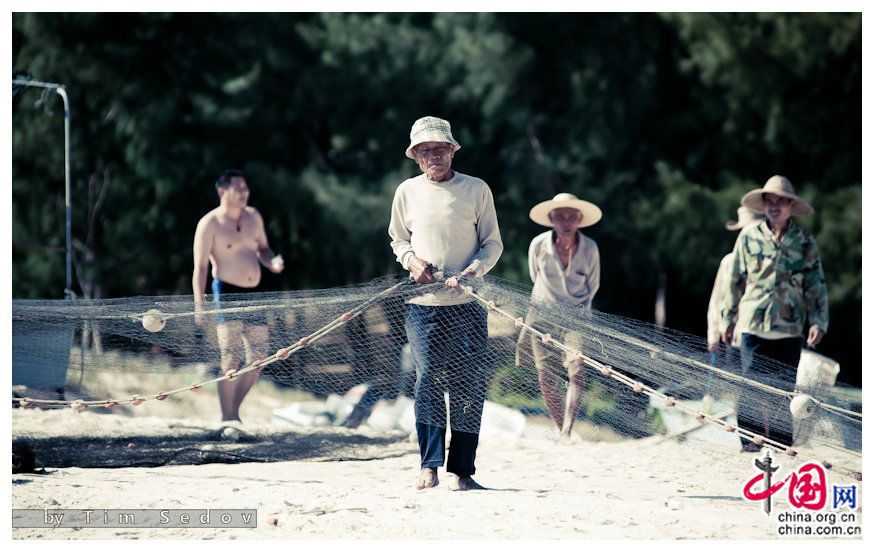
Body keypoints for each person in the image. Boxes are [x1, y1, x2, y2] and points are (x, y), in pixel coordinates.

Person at [388, 116, 503, 491]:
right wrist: (413, 262)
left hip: (468, 302)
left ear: (453, 151)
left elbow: (492, 243)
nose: (434, 156)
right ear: (416, 157)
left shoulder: (476, 189)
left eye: (440, 149)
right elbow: (398, 239)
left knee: (470, 384)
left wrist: (473, 270)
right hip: (423, 305)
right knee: (428, 382)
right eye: (425, 151)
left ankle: (463, 472)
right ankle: (429, 466)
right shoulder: (406, 191)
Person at [720, 175, 828, 450]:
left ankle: (780, 445)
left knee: (783, 390)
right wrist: (727, 318)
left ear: (791, 206)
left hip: (789, 327)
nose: (775, 206)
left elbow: (816, 283)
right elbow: (734, 280)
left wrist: (818, 320)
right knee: (750, 387)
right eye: (770, 201)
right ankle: (751, 443)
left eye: (781, 202)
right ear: (764, 205)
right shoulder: (749, 236)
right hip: (753, 325)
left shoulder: (804, 241)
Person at [192, 169, 285, 422]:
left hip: (255, 292)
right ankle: (227, 417)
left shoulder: (254, 216)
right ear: (223, 191)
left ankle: (235, 411)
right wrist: (199, 304)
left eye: (246, 187)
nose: (244, 192)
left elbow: (264, 248)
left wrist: (272, 261)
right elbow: (200, 268)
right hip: (227, 291)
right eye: (238, 188)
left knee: (259, 357)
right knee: (230, 357)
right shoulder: (209, 223)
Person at [524, 192, 602, 443]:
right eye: (560, 217)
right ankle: (562, 431)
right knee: (545, 375)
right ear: (551, 219)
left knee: (577, 368)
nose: (566, 222)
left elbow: (593, 285)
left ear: (579, 219)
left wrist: (574, 309)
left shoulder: (589, 248)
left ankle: (568, 428)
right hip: (542, 315)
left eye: (571, 217)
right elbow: (535, 276)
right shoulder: (538, 244)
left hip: (577, 317)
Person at [706, 206, 764, 361]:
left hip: (760, 339)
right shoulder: (729, 262)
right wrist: (713, 336)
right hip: (733, 339)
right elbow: (717, 301)